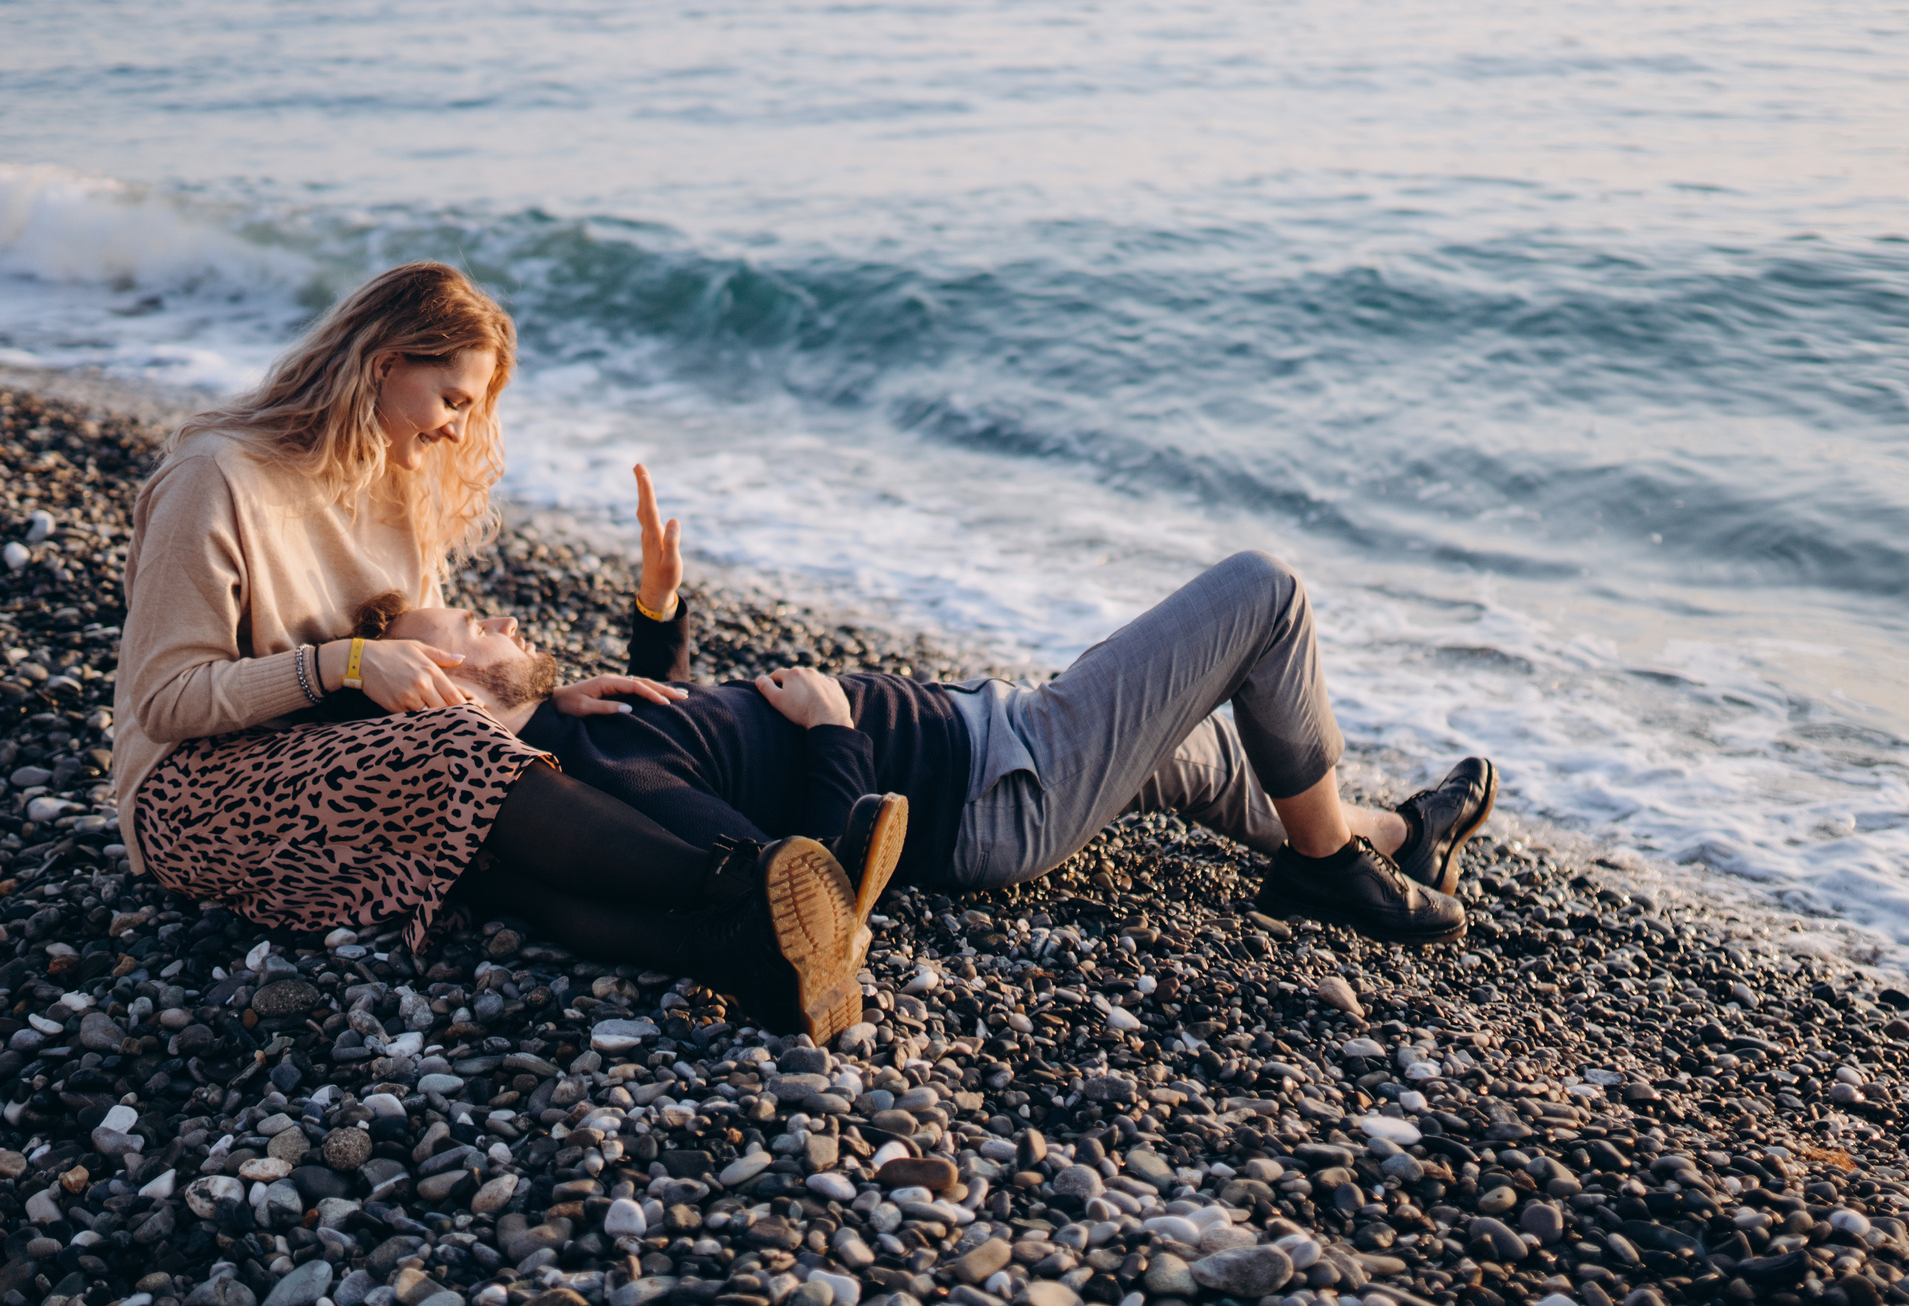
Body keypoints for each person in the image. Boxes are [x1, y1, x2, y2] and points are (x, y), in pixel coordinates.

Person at [107, 262, 872, 1037]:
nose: (458, 432)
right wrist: (344, 662)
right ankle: (746, 882)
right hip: (199, 793)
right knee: (458, 761)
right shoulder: (218, 478)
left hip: (354, 758)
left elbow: (433, 656)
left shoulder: (396, 482)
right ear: (383, 364)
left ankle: (738, 955)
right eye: (452, 401)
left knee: (490, 845)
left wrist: (537, 696)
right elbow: (166, 699)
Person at [360, 466, 1499, 941]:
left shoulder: (570, 732)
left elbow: (692, 736)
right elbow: (786, 856)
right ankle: (1324, 873)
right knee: (1264, 592)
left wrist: (660, 620)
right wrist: (833, 732)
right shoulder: (573, 779)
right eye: (465, 628)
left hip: (992, 744)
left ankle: (1399, 835)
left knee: (1198, 762)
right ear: (435, 689)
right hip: (1003, 786)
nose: (496, 620)